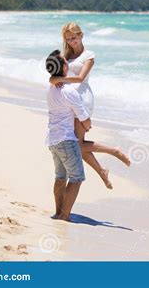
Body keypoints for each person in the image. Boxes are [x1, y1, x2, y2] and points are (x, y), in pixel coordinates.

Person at [49, 22, 130, 190]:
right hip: (68, 101)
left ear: (81, 35)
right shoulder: (65, 55)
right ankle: (102, 171)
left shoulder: (89, 55)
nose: (72, 42)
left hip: (82, 99)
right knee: (77, 144)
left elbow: (80, 78)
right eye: (68, 39)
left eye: (74, 38)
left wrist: (59, 80)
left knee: (77, 145)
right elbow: (56, 72)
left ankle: (113, 151)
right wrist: (52, 78)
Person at [45, 50, 90, 221]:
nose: (68, 63)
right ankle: (64, 215)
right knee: (76, 177)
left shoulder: (50, 88)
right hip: (66, 139)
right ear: (63, 67)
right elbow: (83, 116)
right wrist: (88, 125)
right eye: (66, 62)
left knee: (60, 176)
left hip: (52, 139)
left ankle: (58, 212)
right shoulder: (68, 91)